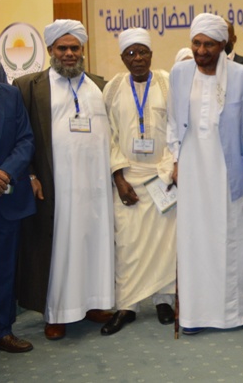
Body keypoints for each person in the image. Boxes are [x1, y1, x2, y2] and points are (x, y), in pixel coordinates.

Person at [167, 13, 243, 335]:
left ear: (223, 44)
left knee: (239, 239)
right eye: (196, 43)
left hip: (232, 170)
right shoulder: (179, 73)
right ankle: (195, 314)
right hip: (193, 171)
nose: (201, 50)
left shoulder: (241, 75)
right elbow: (172, 122)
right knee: (196, 241)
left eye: (208, 44)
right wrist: (175, 160)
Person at [14, 19, 114, 340]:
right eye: (62, 48)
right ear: (50, 50)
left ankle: (94, 302)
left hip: (96, 186)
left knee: (94, 241)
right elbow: (20, 136)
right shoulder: (30, 86)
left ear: (83, 50)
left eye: (75, 48)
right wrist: (30, 173)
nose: (69, 54)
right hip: (56, 185)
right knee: (59, 247)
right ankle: (57, 312)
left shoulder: (99, 85)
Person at [100, 28, 176, 335]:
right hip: (128, 178)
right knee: (127, 245)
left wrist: (169, 170)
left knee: (165, 243)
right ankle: (127, 305)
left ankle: (164, 300)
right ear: (122, 58)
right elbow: (108, 136)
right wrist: (118, 177)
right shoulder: (114, 88)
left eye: (142, 51)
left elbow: (177, 129)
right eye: (130, 53)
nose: (138, 58)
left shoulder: (167, 83)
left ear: (151, 54)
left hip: (161, 177)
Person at [0, 38, 35, 354]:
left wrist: (3, 173)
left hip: (6, 197)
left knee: (3, 269)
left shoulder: (10, 94)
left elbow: (26, 140)